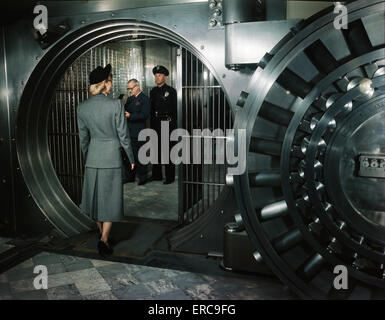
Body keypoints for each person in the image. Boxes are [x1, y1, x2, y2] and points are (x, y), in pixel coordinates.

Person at [77, 64, 135, 257]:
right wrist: (131, 157)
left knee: (93, 199)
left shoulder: (82, 107)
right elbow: (123, 135)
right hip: (111, 157)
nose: (111, 84)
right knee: (110, 200)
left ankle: (103, 235)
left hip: (93, 157)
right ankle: (104, 240)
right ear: (104, 84)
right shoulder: (115, 105)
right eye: (110, 81)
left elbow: (83, 138)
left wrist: (87, 157)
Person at [150, 65, 177, 184]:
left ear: (164, 77)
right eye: (155, 75)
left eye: (159, 75)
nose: (157, 78)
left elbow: (175, 109)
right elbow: (151, 109)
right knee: (156, 150)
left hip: (167, 123)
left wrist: (174, 126)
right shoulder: (153, 91)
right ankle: (157, 175)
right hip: (156, 123)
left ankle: (169, 177)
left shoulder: (171, 91)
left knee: (167, 150)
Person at [124, 79, 151, 185]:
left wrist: (131, 116)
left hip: (139, 132)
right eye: (128, 89)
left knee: (140, 156)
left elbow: (144, 115)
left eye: (131, 88)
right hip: (129, 132)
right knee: (129, 156)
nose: (130, 91)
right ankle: (130, 176)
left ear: (137, 86)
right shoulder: (130, 99)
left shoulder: (144, 99)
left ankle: (142, 178)